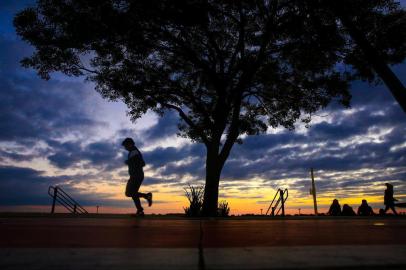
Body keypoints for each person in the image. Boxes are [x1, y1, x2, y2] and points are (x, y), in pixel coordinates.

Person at [122, 137, 152, 216]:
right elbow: (138, 162)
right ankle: (140, 210)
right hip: (135, 176)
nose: (125, 148)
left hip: (137, 176)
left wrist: (129, 162)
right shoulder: (133, 151)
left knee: (129, 193)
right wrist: (130, 162)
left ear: (130, 144)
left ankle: (146, 198)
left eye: (125, 146)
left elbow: (142, 163)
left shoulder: (134, 151)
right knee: (132, 193)